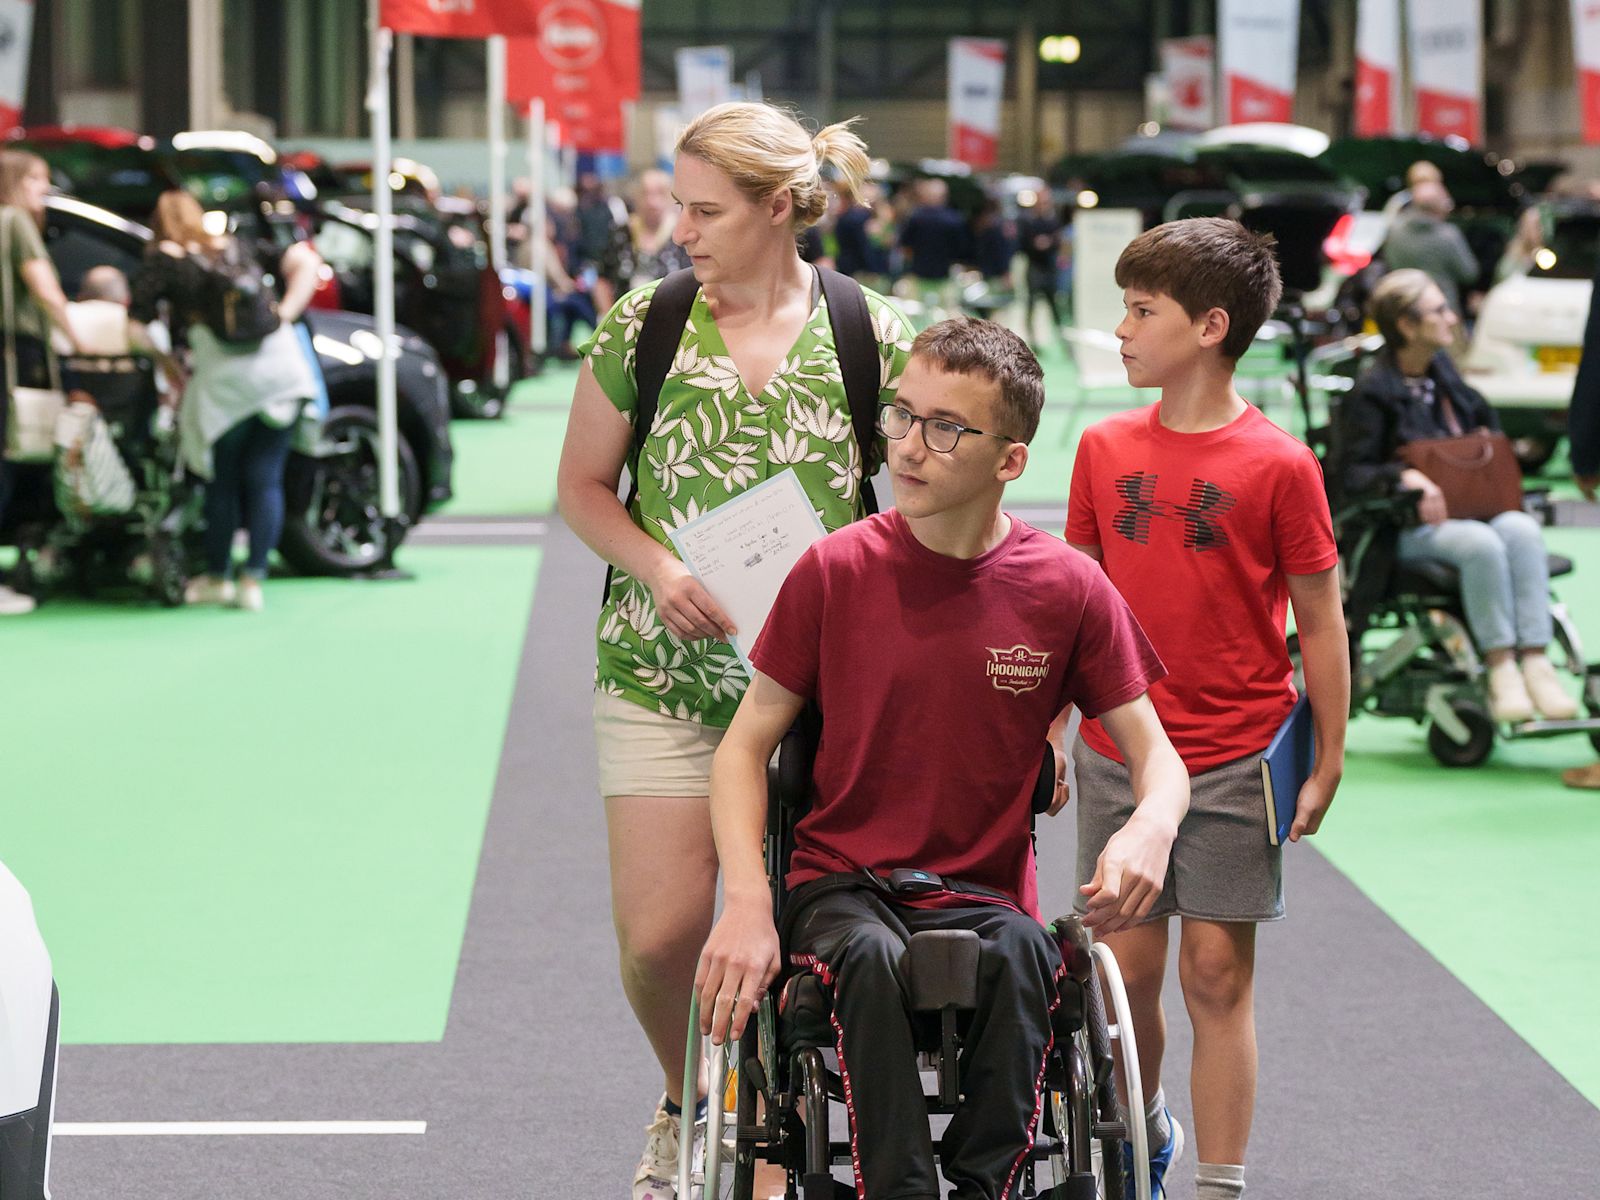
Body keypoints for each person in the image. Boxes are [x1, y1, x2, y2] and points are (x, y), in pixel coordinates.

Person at [694, 317, 1190, 1200]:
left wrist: (1151, 824)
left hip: (987, 893)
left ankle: (982, 1186)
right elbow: (744, 750)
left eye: (946, 428)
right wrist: (744, 902)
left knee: (1030, 958)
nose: (910, 449)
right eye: (902, 417)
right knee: (872, 962)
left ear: (1010, 460)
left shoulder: (1067, 589)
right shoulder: (834, 571)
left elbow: (1160, 758)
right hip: (842, 884)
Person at [554, 100, 913, 1200]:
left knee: (800, 945)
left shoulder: (877, 334)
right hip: (661, 681)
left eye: (705, 209)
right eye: (676, 203)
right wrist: (659, 568)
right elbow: (581, 490)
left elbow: (925, 507)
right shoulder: (642, 327)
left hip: (820, 700)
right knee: (661, 942)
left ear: (777, 208)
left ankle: (762, 1134)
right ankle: (688, 1100)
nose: (680, 229)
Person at [1065, 217, 1351, 1200]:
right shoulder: (1100, 447)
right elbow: (1078, 606)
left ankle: (1221, 1186)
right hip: (1115, 753)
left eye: (1141, 311)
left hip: (1236, 755)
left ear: (1209, 326)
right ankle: (1137, 1142)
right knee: (1121, 980)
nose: (1121, 330)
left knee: (1217, 977)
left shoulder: (1280, 463)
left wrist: (1327, 755)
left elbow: (1318, 620)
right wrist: (1050, 734)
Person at [1343, 269, 1578, 724]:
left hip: (1471, 511)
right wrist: (1406, 478)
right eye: (1438, 310)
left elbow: (1486, 434)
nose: (1452, 318)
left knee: (1522, 529)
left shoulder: (1448, 380)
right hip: (1402, 528)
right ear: (1407, 326)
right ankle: (1500, 668)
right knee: (1481, 543)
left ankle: (1536, 660)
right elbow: (1351, 474)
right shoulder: (1372, 393)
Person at [130, 190, 323, 612]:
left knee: (223, 481)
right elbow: (307, 261)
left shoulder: (163, 260)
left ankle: (218, 576)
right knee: (266, 478)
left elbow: (137, 326)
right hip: (281, 371)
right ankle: (253, 581)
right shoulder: (235, 244)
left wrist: (167, 366)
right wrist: (286, 315)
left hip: (224, 382)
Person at [0, 148, 87, 615]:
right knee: (13, 460)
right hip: (14, 356)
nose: (45, 192)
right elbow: (46, 289)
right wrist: (77, 338)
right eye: (37, 181)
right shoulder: (15, 223)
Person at [1379, 179, 1480, 323]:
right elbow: (1469, 273)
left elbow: (1388, 262)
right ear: (1442, 205)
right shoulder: (1447, 234)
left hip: (1405, 310)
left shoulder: (1394, 230)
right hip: (1442, 312)